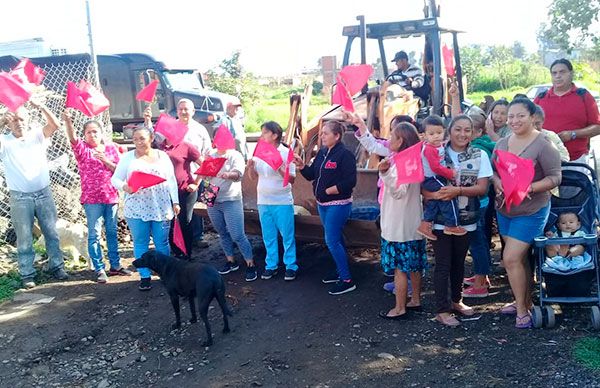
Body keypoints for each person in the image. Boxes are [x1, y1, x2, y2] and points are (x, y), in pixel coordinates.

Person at [493, 98, 561, 328]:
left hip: (533, 210)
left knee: (510, 258)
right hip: (506, 209)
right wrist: (497, 182)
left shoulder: (543, 144)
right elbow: (493, 172)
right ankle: (523, 300)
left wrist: (531, 187)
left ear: (533, 117)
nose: (514, 121)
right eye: (511, 116)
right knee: (520, 259)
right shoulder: (502, 143)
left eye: (520, 116)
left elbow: (555, 177)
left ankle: (522, 311)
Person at [423, 114, 492, 326]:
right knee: (443, 263)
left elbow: (482, 188)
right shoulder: (435, 152)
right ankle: (442, 310)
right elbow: (423, 186)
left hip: (467, 218)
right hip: (440, 220)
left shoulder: (479, 155)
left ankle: (456, 301)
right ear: (449, 131)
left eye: (467, 130)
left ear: (474, 132)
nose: (462, 134)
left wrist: (458, 190)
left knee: (459, 262)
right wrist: (436, 195)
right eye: (458, 129)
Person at [0, 102, 68, 289]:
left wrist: (42, 107)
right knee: (24, 238)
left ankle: (57, 267)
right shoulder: (4, 141)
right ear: (8, 122)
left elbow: (55, 125)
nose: (18, 123)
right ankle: (27, 274)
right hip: (20, 197)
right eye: (13, 120)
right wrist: (1, 122)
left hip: (43, 193)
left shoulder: (36, 135)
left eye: (21, 118)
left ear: (28, 120)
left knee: (51, 233)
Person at [63, 110, 131, 283]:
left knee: (112, 231)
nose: (92, 134)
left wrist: (105, 161)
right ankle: (99, 268)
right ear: (84, 135)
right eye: (88, 132)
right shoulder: (83, 150)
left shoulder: (111, 149)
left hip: (111, 197)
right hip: (92, 199)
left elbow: (119, 171)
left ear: (101, 134)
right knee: (94, 234)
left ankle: (115, 265)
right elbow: (72, 138)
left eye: (95, 131)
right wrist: (68, 122)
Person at [111, 126, 180, 291]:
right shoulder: (128, 158)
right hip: (137, 207)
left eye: (142, 138)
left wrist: (175, 201)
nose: (139, 142)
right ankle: (145, 276)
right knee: (140, 242)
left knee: (161, 242)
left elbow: (171, 180)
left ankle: (165, 273)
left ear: (151, 138)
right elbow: (115, 179)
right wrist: (125, 186)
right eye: (135, 139)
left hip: (160, 205)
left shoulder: (162, 156)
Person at [294, 121, 358, 295]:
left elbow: (350, 181)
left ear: (336, 136)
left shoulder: (345, 155)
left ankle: (347, 280)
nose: (321, 136)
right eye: (321, 133)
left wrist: (331, 190)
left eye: (325, 133)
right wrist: (301, 167)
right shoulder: (322, 153)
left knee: (331, 241)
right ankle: (340, 270)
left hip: (339, 204)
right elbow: (312, 175)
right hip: (322, 205)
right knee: (336, 239)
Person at [374, 121, 426, 319]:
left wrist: (385, 173)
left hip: (398, 225)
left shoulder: (401, 163)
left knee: (400, 269)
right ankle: (416, 300)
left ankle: (400, 308)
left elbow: (398, 192)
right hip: (412, 223)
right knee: (414, 265)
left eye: (392, 137)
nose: (388, 140)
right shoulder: (413, 159)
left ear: (400, 140)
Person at [145, 100, 212, 249]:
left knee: (192, 212)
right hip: (169, 182)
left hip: (192, 176)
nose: (183, 112)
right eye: (180, 109)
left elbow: (207, 153)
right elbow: (154, 140)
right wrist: (148, 121)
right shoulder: (171, 127)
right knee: (173, 216)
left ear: (193, 111)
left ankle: (196, 238)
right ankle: (176, 245)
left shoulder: (199, 129)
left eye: (186, 109)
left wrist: (198, 180)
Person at [247, 121, 298, 281]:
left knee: (287, 235)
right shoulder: (259, 152)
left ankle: (291, 265)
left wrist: (280, 169)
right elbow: (253, 177)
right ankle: (271, 265)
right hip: (263, 200)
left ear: (274, 135)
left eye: (265, 133)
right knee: (268, 235)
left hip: (282, 200)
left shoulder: (285, 152)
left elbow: (293, 179)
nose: (262, 136)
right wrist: (250, 167)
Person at [205, 139, 257, 281]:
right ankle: (231, 261)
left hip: (231, 198)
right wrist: (203, 169)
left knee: (237, 234)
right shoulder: (211, 154)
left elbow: (239, 174)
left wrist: (228, 175)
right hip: (212, 195)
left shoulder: (235, 155)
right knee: (221, 231)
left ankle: (250, 263)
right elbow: (205, 174)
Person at [534, 58, 600, 163]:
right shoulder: (541, 98)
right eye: (554, 73)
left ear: (571, 73)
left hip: (577, 160)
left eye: (562, 72)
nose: (558, 76)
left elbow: (597, 127)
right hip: (544, 159)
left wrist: (573, 134)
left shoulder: (584, 96)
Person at [417, 115, 466, 239]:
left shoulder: (438, 145)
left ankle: (425, 223)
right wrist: (451, 173)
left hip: (435, 177)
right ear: (425, 135)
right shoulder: (429, 149)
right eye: (432, 134)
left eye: (439, 132)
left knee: (435, 199)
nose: (436, 136)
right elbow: (436, 168)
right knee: (447, 195)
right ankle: (451, 225)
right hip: (431, 178)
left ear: (444, 131)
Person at [159, 136, 204, 259]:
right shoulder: (158, 147)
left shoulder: (186, 146)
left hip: (184, 190)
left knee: (185, 221)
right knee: (168, 222)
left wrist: (196, 183)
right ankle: (175, 251)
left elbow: (204, 164)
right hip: (164, 191)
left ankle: (186, 253)